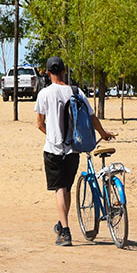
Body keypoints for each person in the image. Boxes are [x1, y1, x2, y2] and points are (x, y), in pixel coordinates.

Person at [35, 56, 115, 247]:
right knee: (67, 188)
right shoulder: (76, 91)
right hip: (73, 149)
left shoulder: (44, 94)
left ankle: (65, 231)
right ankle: (62, 224)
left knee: (59, 189)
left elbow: (39, 124)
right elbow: (92, 116)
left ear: (47, 73)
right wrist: (103, 134)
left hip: (53, 149)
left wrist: (52, 135)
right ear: (64, 71)